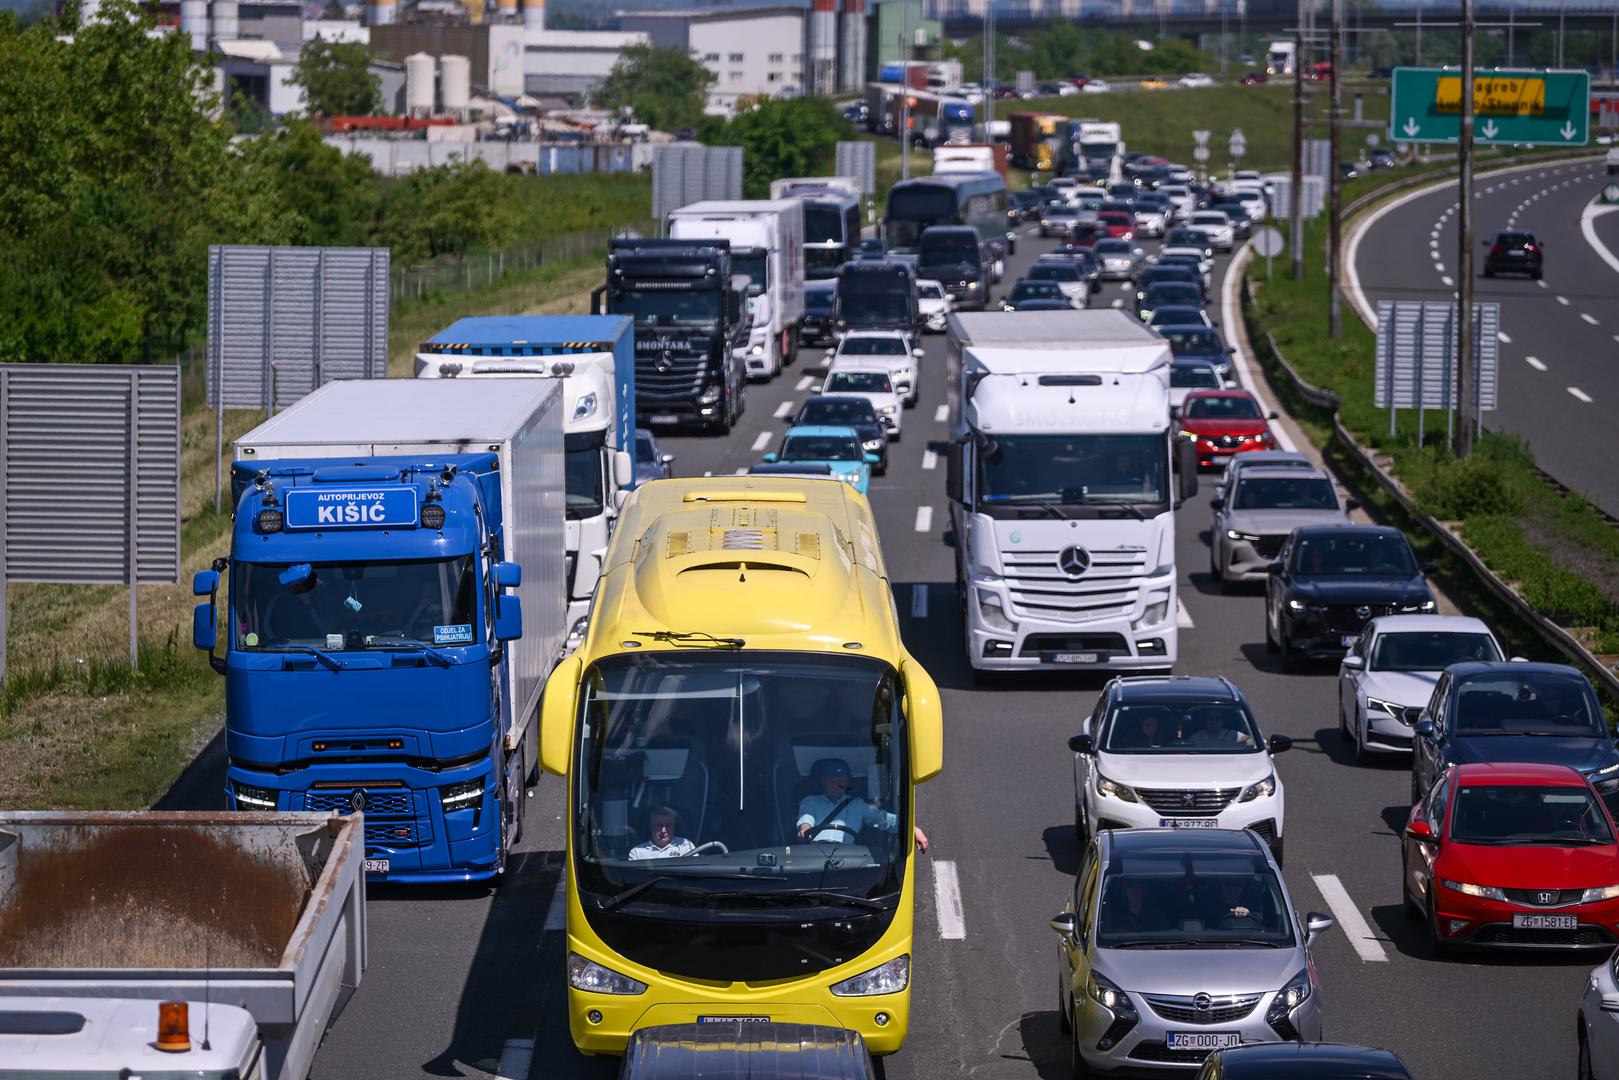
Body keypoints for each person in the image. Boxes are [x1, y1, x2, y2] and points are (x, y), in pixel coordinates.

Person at [796, 759, 930, 853]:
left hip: (847, 857)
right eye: (831, 781)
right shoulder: (810, 801)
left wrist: (912, 829)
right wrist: (804, 829)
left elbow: (883, 819)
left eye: (840, 780)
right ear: (823, 782)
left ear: (847, 782)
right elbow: (806, 817)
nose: (836, 785)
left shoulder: (857, 804)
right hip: (815, 853)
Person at [628, 806, 697, 860]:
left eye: (668, 826)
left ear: (674, 827)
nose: (663, 830)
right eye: (660, 825)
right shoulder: (637, 852)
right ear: (651, 827)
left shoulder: (686, 846)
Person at [1187, 707, 1255, 748]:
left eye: (1218, 719)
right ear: (1206, 720)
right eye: (1211, 718)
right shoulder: (1196, 738)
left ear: (1222, 721)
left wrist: (1242, 745)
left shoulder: (1232, 734)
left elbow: (1251, 741)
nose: (1214, 721)